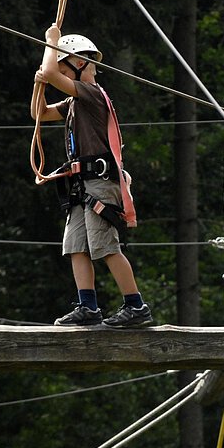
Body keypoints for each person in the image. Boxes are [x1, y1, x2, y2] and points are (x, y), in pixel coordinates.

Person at [32, 24, 153, 328]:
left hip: (99, 182)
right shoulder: (75, 102)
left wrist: (51, 43)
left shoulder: (92, 94)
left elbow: (52, 74)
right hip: (80, 184)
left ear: (80, 63)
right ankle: (88, 306)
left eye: (63, 65)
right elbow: (39, 113)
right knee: (76, 245)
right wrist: (39, 84)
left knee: (105, 246)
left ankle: (136, 306)